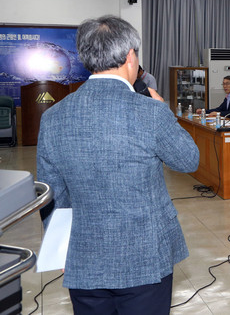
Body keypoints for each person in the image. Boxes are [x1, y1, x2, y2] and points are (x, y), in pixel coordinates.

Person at [37, 16, 199, 313]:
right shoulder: (150, 112)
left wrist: (60, 248)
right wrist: (163, 110)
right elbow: (189, 160)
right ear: (130, 56)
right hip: (145, 257)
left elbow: (50, 193)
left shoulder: (52, 117)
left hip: (84, 257)